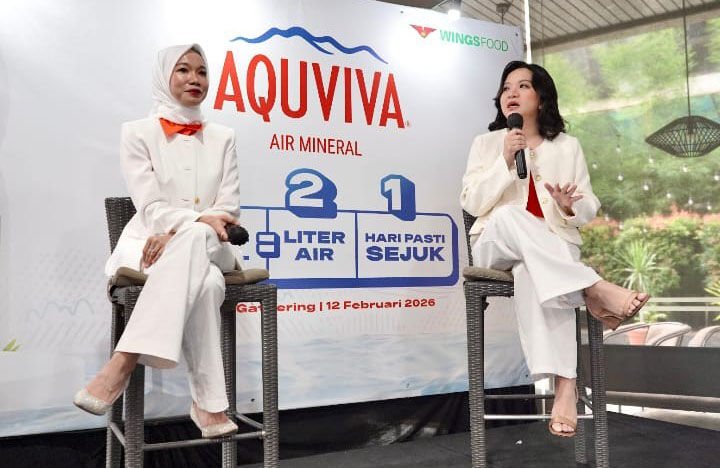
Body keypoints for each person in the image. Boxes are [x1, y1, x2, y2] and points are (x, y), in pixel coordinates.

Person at [460, 60, 649, 437]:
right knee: (509, 215)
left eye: (522, 86)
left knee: (534, 271)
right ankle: (593, 288)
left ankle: (565, 387)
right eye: (506, 87)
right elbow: (471, 202)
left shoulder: (567, 146)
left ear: (542, 98)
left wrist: (568, 207)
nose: (511, 93)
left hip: (549, 251)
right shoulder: (486, 144)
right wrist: (504, 161)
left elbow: (589, 205)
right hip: (495, 244)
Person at [74, 44, 243, 438]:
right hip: (153, 243)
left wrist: (183, 232)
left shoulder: (225, 137)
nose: (194, 79)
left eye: (202, 72)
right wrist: (188, 226)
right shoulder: (137, 132)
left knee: (199, 237)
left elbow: (228, 208)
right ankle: (210, 405)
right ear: (164, 77)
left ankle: (122, 360)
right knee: (207, 284)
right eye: (183, 70)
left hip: (213, 243)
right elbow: (149, 206)